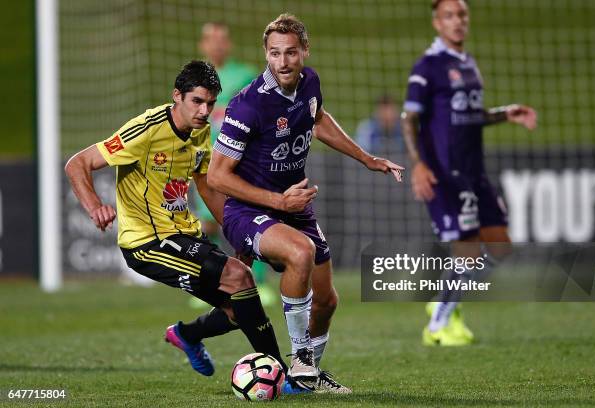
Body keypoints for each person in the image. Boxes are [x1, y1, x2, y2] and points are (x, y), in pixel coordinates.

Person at [207, 14, 403, 393]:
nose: (283, 62)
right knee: (301, 252)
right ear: (266, 54)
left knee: (327, 301)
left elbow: (319, 118)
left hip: (294, 206)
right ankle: (301, 359)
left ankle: (308, 377)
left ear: (304, 52)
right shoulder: (247, 105)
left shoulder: (309, 82)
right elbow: (217, 176)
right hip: (249, 210)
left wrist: (367, 158)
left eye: (291, 53)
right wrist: (277, 199)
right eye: (275, 53)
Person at [64, 60, 287, 377]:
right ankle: (283, 375)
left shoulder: (200, 132)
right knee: (239, 278)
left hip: (186, 235)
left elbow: (206, 185)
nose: (203, 110)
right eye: (197, 101)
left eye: (209, 103)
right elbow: (78, 163)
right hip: (148, 243)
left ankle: (187, 335)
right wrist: (94, 206)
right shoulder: (146, 130)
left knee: (239, 306)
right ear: (177, 96)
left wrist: (239, 235)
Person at [402, 0, 537, 346]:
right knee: (468, 251)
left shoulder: (469, 64)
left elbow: (472, 114)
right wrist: (418, 163)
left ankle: (445, 300)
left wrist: (506, 113)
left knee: (500, 247)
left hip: (475, 172)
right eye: (449, 15)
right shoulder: (428, 66)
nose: (457, 21)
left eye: (462, 14)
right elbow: (410, 118)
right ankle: (437, 327)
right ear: (436, 22)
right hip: (446, 173)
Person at [194, 22, 276, 306]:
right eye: (211, 39)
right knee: (208, 224)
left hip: (239, 160)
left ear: (228, 44)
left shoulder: (244, 75)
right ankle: (214, 285)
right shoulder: (193, 78)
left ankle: (258, 283)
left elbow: (258, 110)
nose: (217, 44)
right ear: (202, 45)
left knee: (248, 220)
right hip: (205, 159)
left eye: (222, 39)